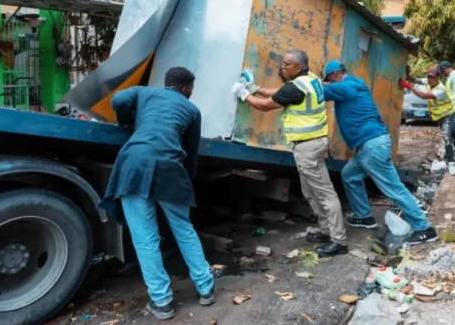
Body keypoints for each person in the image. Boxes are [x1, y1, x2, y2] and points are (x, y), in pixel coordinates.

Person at [100, 67, 214, 321]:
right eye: (191, 89)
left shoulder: (143, 93)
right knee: (184, 230)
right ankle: (206, 289)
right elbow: (191, 153)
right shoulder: (191, 110)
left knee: (145, 239)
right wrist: (187, 180)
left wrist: (126, 121)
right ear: (185, 88)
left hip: (133, 168)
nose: (191, 93)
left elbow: (118, 100)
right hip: (170, 170)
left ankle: (162, 303)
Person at [233, 50, 348, 257]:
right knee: (310, 192)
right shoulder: (309, 79)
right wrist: (255, 88)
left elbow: (266, 106)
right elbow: (279, 92)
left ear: (298, 67)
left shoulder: (297, 87)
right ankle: (325, 231)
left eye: (286, 64)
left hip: (308, 147)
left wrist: (244, 95)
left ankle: (339, 241)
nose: (282, 67)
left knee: (324, 194)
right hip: (312, 144)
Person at [323, 60, 438, 244]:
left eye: (329, 79)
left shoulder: (346, 86)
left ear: (334, 75)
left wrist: (309, 83)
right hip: (368, 146)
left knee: (393, 188)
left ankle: (424, 228)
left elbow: (315, 92)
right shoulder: (355, 83)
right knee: (349, 175)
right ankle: (364, 216)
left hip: (372, 146)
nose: (330, 83)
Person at [400, 68, 455, 163]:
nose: (430, 79)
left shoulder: (440, 90)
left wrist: (409, 87)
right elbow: (415, 80)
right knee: (451, 135)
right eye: (428, 77)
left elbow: (423, 95)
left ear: (438, 77)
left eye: (432, 77)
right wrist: (407, 75)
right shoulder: (428, 81)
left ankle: (451, 160)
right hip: (439, 116)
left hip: (448, 115)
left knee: (446, 137)